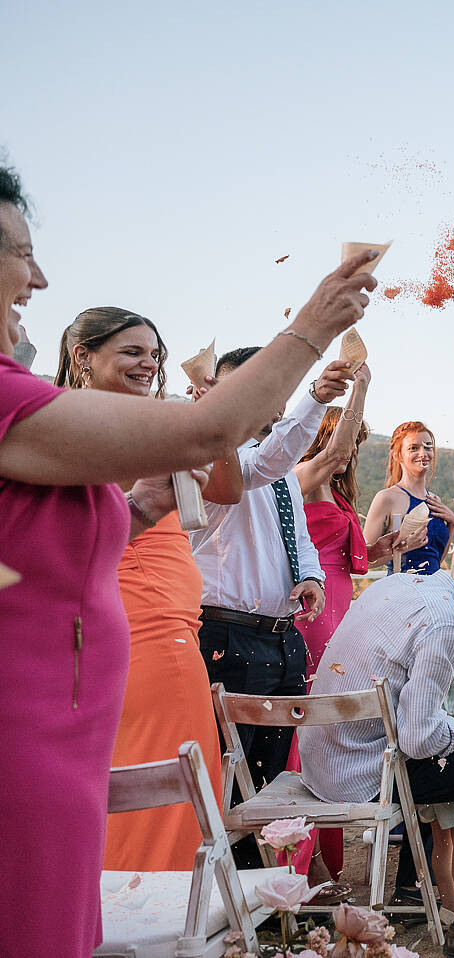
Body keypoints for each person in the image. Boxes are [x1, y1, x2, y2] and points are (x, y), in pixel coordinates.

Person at [0, 161, 377, 957]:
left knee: (80, 911)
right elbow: (213, 436)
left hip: (75, 705)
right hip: (32, 713)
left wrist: (140, 508)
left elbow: (204, 481)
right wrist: (312, 323)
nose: (38, 275)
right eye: (16, 251)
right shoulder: (17, 402)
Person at [52, 307, 242, 873]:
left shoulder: (156, 422)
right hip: (147, 630)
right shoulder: (79, 425)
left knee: (134, 785)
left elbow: (227, 488)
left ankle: (117, 913)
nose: (149, 363)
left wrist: (212, 423)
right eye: (131, 351)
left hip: (146, 629)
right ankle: (161, 912)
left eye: (154, 353)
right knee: (173, 789)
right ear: (83, 356)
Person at [300, 571, 454, 958]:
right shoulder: (446, 624)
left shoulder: (405, 582)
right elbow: (420, 739)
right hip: (367, 772)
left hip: (325, 759)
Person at [193, 346, 355, 859]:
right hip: (227, 637)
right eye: (252, 387)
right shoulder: (211, 462)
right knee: (233, 779)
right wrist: (316, 399)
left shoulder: (280, 469)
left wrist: (311, 577)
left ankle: (272, 900)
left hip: (280, 637)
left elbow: (300, 536)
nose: (264, 398)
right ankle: (237, 901)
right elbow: (264, 462)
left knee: (273, 778)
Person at [291, 371, 420, 886]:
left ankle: (329, 847)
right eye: (349, 441)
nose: (351, 453)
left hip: (341, 610)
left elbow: (358, 562)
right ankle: (303, 861)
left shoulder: (339, 496)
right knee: (316, 718)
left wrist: (397, 545)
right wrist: (361, 389)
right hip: (314, 615)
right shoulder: (300, 476)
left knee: (331, 723)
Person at [365, 420, 454, 574]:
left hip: (434, 586)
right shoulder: (386, 498)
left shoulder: (435, 500)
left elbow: (436, 559)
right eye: (414, 448)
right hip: (402, 588)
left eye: (428, 447)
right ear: (397, 454)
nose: (423, 453)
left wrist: (452, 523)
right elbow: (366, 560)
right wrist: (402, 548)